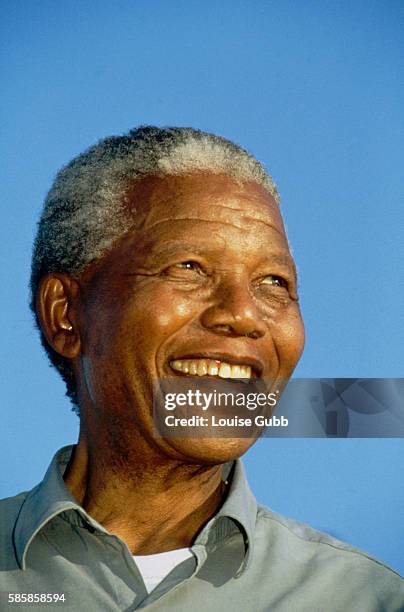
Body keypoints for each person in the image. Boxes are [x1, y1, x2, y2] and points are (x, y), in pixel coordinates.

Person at [0, 126, 402, 611]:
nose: (243, 314)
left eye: (274, 282)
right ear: (66, 314)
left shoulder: (365, 599)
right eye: (188, 267)